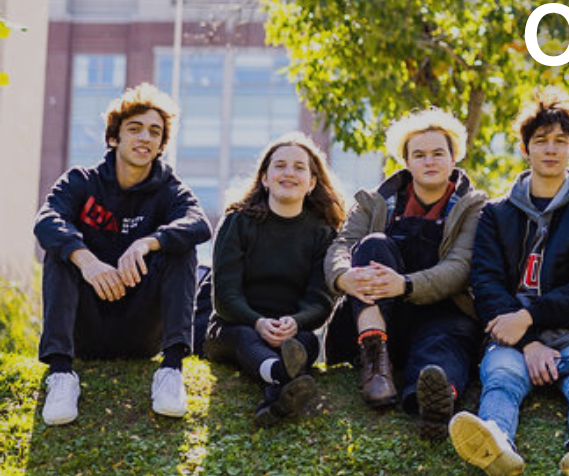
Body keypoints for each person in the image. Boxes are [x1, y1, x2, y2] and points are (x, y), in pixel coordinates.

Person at [450, 88, 569, 476]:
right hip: (510, 337)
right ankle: (495, 443)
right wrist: (526, 341)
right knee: (501, 378)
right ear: (524, 148)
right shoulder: (495, 214)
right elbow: (486, 282)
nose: (550, 150)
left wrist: (530, 317)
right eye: (541, 141)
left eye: (560, 142)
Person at [35, 83, 211, 425]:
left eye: (154, 132)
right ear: (114, 137)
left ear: (161, 145)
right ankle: (61, 375)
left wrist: (148, 242)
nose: (144, 138)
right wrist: (86, 260)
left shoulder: (169, 188)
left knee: (181, 248)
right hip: (85, 327)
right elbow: (46, 221)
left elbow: (198, 223)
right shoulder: (80, 181)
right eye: (135, 128)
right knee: (60, 252)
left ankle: (171, 371)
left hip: (140, 329)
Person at [324, 108, 488, 439]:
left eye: (438, 153)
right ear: (406, 161)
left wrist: (406, 284)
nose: (429, 161)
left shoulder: (475, 207)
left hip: (442, 313)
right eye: (420, 155)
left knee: (441, 349)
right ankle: (374, 364)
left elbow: (459, 268)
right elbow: (341, 246)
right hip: (375, 318)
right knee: (372, 246)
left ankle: (433, 402)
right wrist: (343, 276)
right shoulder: (373, 202)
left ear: (454, 157)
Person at [203, 134, 343, 426]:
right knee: (247, 338)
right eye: (280, 166)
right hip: (233, 327)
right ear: (265, 178)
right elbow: (226, 297)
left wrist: (296, 321)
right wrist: (257, 322)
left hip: (290, 330)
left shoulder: (322, 233)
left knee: (306, 343)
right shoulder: (237, 223)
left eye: (299, 167)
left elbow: (320, 300)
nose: (289, 173)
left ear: (312, 182)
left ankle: (275, 401)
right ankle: (281, 374)